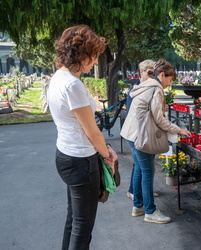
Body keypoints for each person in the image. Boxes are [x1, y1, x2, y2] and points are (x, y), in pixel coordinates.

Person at [48, 25, 118, 249]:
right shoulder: (72, 85)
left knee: (74, 220)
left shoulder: (59, 77)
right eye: (94, 56)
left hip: (67, 155)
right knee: (82, 227)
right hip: (81, 161)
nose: (96, 62)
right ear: (81, 54)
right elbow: (91, 131)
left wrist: (104, 147)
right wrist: (107, 154)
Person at [121, 59, 191, 223]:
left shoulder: (146, 85)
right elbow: (159, 119)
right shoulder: (156, 89)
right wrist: (178, 129)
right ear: (161, 75)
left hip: (131, 134)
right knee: (147, 172)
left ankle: (138, 206)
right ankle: (150, 212)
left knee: (140, 168)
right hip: (141, 136)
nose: (170, 83)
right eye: (170, 79)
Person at [125, 59, 158, 201]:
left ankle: (140, 193)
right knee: (142, 166)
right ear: (141, 72)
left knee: (142, 165)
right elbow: (133, 114)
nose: (151, 76)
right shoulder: (137, 88)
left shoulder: (148, 87)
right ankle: (134, 192)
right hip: (138, 132)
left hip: (143, 132)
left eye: (154, 73)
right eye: (149, 72)